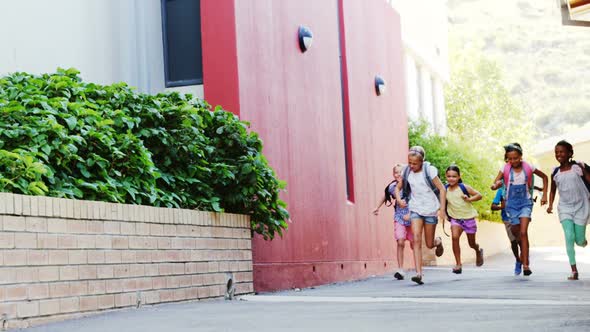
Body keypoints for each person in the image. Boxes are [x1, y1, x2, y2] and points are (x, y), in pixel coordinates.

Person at [491, 143, 548, 276]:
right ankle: (522, 252)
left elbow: (545, 177)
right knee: (517, 234)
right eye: (510, 159)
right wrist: (496, 185)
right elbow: (494, 184)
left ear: (521, 156)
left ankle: (526, 265)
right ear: (507, 159)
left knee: (523, 232)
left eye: (516, 158)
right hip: (510, 205)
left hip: (525, 203)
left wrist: (544, 194)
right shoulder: (504, 168)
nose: (513, 161)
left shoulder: (528, 167)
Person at [395, 146, 446, 285]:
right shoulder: (406, 171)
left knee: (429, 244)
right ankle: (419, 273)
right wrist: (399, 200)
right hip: (415, 208)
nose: (411, 166)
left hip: (430, 210)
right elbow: (398, 188)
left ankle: (438, 241)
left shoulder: (429, 171)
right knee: (416, 238)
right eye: (409, 162)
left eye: (414, 163)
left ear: (422, 161)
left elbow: (442, 189)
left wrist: (442, 209)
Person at [546, 140, 590, 280]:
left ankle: (583, 241)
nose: (559, 154)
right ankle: (574, 270)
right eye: (556, 152)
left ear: (570, 153)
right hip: (565, 207)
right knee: (569, 236)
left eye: (562, 152)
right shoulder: (555, 172)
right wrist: (550, 204)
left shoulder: (577, 167)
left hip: (581, 206)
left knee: (579, 240)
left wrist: (584, 170)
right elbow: (553, 190)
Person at [373, 164, 412, 280]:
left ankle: (436, 242)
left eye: (401, 172)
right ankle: (400, 269)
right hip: (399, 217)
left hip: (412, 217)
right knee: (400, 241)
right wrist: (377, 207)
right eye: (396, 172)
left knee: (415, 244)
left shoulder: (411, 185)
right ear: (393, 174)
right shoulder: (392, 187)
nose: (398, 174)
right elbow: (385, 196)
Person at [445, 165, 484, 274]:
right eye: (449, 176)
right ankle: (458, 264)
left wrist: (469, 199)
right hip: (455, 219)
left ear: (459, 177)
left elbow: (479, 195)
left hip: (468, 219)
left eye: (454, 176)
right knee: (454, 237)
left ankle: (477, 250)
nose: (451, 178)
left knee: (471, 243)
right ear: (446, 176)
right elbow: (441, 201)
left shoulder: (464, 187)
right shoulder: (445, 189)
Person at [491, 185, 522, 275]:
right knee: (513, 241)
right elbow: (492, 206)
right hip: (507, 219)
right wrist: (502, 207)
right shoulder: (501, 190)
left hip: (520, 217)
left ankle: (524, 261)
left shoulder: (520, 187)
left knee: (521, 240)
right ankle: (518, 260)